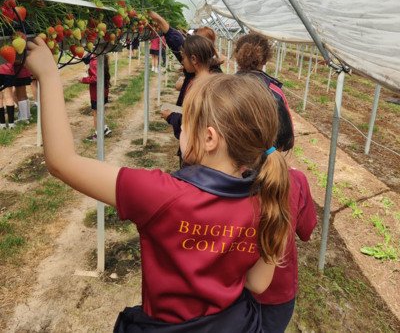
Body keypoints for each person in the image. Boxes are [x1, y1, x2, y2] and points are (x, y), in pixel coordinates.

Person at [25, 37, 291, 332]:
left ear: (209, 138)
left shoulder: (161, 195)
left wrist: (48, 75)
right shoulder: (267, 198)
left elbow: (62, 162)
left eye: (185, 121)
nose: (180, 126)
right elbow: (257, 282)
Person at [254, 166, 317, 333]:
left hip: (235, 289)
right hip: (279, 290)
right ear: (288, 143)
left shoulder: (232, 176)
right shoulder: (296, 179)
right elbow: (306, 230)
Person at [234, 32, 294, 151]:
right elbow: (287, 139)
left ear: (237, 56)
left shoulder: (223, 88)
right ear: (265, 60)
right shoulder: (275, 92)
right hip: (264, 161)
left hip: (231, 160)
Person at [80, 55, 112, 141]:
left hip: (97, 92)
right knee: (100, 111)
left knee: (96, 113)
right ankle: (104, 128)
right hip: (103, 90)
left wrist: (83, 79)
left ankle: (97, 134)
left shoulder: (94, 62)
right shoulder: (101, 57)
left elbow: (95, 78)